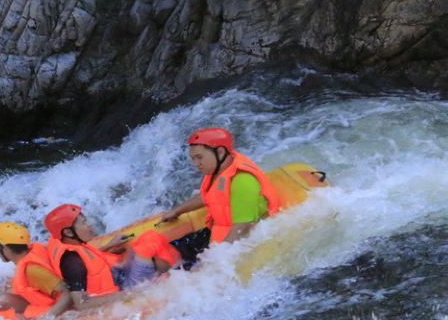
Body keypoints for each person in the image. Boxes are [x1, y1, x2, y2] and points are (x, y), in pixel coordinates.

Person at [162, 127, 280, 264]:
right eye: (193, 158)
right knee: (160, 252)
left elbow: (243, 227)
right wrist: (177, 211)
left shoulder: (243, 181)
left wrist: (213, 263)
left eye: (200, 157)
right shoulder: (218, 172)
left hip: (234, 243)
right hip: (216, 231)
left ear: (220, 152)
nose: (196, 164)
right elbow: (209, 196)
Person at [44, 204, 180, 308]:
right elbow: (81, 303)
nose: (90, 224)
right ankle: (179, 273)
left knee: (149, 237)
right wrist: (130, 295)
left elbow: (89, 259)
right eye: (84, 222)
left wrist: (109, 245)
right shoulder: (71, 262)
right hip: (124, 290)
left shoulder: (68, 242)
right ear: (68, 232)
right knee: (149, 245)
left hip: (117, 277)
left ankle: (173, 269)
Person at [0, 222, 73, 320]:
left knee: (2, 301)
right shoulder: (31, 253)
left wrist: (46, 319)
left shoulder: (32, 270)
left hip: (56, 307)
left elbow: (68, 292)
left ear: (6, 249)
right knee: (2, 293)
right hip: (43, 296)